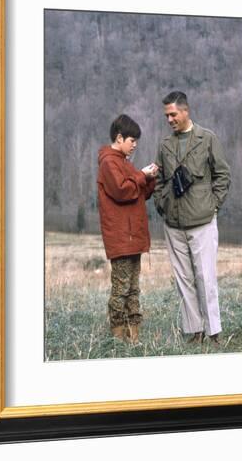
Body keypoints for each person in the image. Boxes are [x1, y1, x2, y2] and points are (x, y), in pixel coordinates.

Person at [153, 91, 231, 346]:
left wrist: (213, 206)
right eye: (167, 115)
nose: (169, 119)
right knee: (183, 280)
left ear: (186, 111)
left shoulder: (207, 139)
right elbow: (159, 180)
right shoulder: (165, 145)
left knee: (205, 277)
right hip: (173, 225)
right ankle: (194, 331)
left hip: (202, 223)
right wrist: (161, 204)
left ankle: (214, 332)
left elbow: (222, 176)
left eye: (173, 114)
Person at [97, 114, 158, 344]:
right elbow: (123, 191)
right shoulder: (109, 162)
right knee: (122, 288)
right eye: (132, 140)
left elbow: (139, 192)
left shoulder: (123, 162)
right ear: (119, 137)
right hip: (121, 238)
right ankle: (117, 333)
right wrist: (141, 175)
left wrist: (149, 178)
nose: (135, 145)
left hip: (132, 237)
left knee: (133, 287)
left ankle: (134, 333)